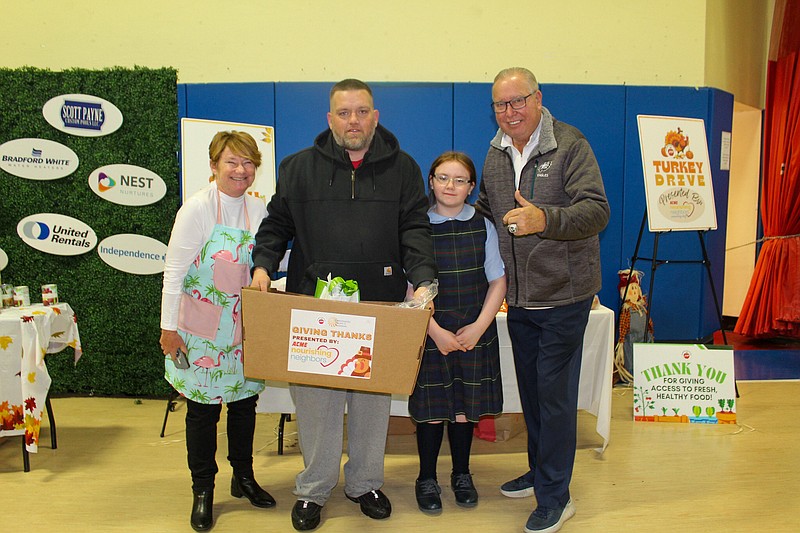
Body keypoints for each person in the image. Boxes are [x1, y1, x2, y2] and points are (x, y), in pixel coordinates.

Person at [250, 78, 436, 531]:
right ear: (329, 118)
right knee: (316, 404)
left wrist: (424, 278)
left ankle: (365, 483)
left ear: (375, 116)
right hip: (315, 308)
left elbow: (414, 228)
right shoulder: (297, 168)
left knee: (372, 405)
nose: (353, 121)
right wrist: (261, 265)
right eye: (344, 112)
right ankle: (313, 489)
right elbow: (276, 225)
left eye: (362, 111)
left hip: (379, 305)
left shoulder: (404, 168)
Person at [475, 67, 610, 533]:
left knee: (554, 398)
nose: (509, 112)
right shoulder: (494, 155)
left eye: (518, 101)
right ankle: (541, 471)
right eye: (500, 104)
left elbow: (596, 210)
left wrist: (544, 219)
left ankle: (557, 496)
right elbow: (489, 214)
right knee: (532, 395)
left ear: (538, 99)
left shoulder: (570, 144)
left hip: (564, 296)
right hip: (521, 300)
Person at [160, 131, 275, 532]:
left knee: (244, 407)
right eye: (232, 162)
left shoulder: (258, 211)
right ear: (213, 166)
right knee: (203, 413)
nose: (241, 170)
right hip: (201, 331)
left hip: (244, 330)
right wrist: (168, 330)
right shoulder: (196, 210)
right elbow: (173, 275)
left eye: (248, 163)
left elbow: (266, 260)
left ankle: (242, 477)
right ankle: (203, 488)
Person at [409, 151, 506, 514]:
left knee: (465, 409)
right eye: (443, 178)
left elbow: (498, 280)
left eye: (460, 180)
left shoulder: (483, 225)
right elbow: (408, 287)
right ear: (431, 182)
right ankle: (426, 477)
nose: (450, 186)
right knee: (433, 409)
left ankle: (462, 474)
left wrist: (480, 327)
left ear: (471, 188)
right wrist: (432, 330)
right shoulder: (416, 226)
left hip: (472, 330)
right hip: (431, 330)